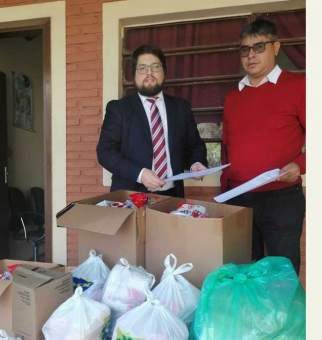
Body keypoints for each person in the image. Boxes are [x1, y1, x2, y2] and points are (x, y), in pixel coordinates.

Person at [220, 19, 306, 275]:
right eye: (245, 49)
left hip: (280, 196)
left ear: (276, 47)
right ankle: (251, 316)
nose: (251, 55)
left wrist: (300, 166)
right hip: (237, 199)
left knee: (282, 270)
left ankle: (285, 316)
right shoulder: (233, 97)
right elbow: (227, 147)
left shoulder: (299, 86)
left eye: (259, 47)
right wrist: (225, 192)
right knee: (243, 269)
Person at [97, 44, 208, 198]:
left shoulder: (181, 108)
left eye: (155, 67)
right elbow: (105, 152)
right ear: (134, 75)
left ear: (164, 71)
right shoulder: (118, 109)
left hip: (172, 197)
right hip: (130, 198)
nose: (149, 73)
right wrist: (140, 173)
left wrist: (197, 163)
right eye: (142, 68)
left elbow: (195, 145)